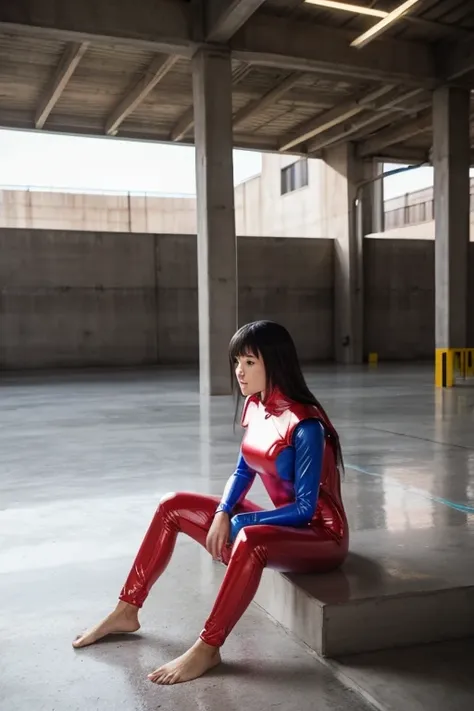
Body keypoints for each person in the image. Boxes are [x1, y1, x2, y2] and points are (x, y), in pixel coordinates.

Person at [72, 320, 349, 685]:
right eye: (237, 361)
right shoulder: (255, 406)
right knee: (172, 504)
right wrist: (223, 512)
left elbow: (306, 509)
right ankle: (127, 609)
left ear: (276, 363)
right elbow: (242, 471)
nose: (239, 371)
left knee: (249, 540)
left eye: (249, 362)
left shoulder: (306, 424)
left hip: (320, 535)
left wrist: (241, 523)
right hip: (284, 523)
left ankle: (208, 647)